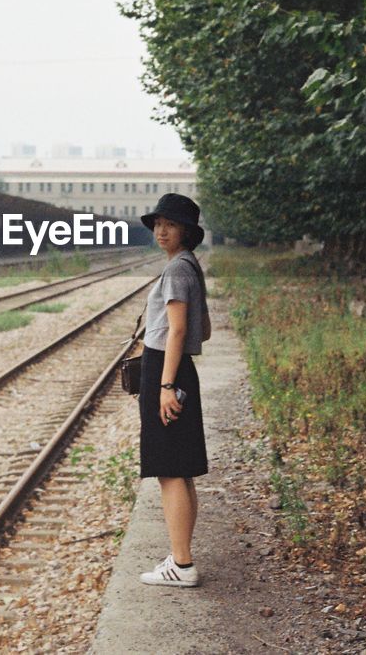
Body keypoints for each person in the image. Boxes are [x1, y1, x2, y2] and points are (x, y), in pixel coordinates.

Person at [136, 193, 210, 588]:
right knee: (179, 469)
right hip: (174, 368)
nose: (162, 231)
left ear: (186, 231)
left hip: (168, 370)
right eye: (158, 224)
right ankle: (180, 556)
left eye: (171, 225)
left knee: (169, 470)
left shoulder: (177, 270)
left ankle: (181, 565)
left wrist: (166, 384)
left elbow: (179, 329)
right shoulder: (186, 267)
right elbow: (198, 329)